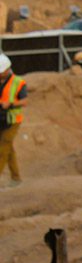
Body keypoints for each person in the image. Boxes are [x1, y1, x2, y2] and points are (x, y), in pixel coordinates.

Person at [0, 53, 27, 187]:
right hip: (1, 120)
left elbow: (24, 101)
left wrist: (10, 104)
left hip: (13, 119)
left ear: (6, 70)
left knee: (3, 148)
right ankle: (16, 179)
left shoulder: (18, 82)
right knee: (9, 149)